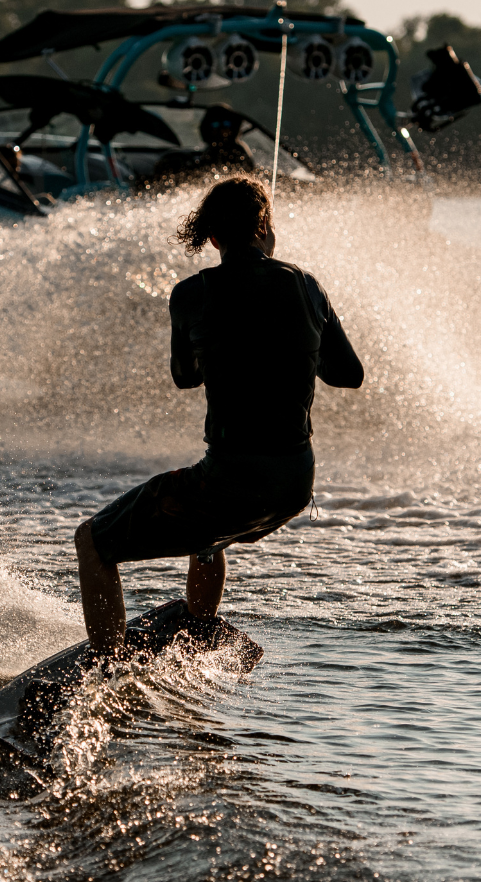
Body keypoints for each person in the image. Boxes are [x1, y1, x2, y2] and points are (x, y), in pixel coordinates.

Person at [74, 175, 364, 652]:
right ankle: (200, 626)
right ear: (266, 229)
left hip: (232, 480)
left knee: (93, 542)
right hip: (293, 483)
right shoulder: (307, 286)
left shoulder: (191, 293)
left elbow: (185, 377)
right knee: (207, 530)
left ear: (212, 237)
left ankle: (107, 670)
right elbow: (347, 374)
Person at [142, 105, 257, 189]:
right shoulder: (212, 150)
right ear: (207, 129)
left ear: (233, 127)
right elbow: (202, 174)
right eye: (215, 125)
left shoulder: (237, 151)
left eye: (226, 124)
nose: (221, 130)